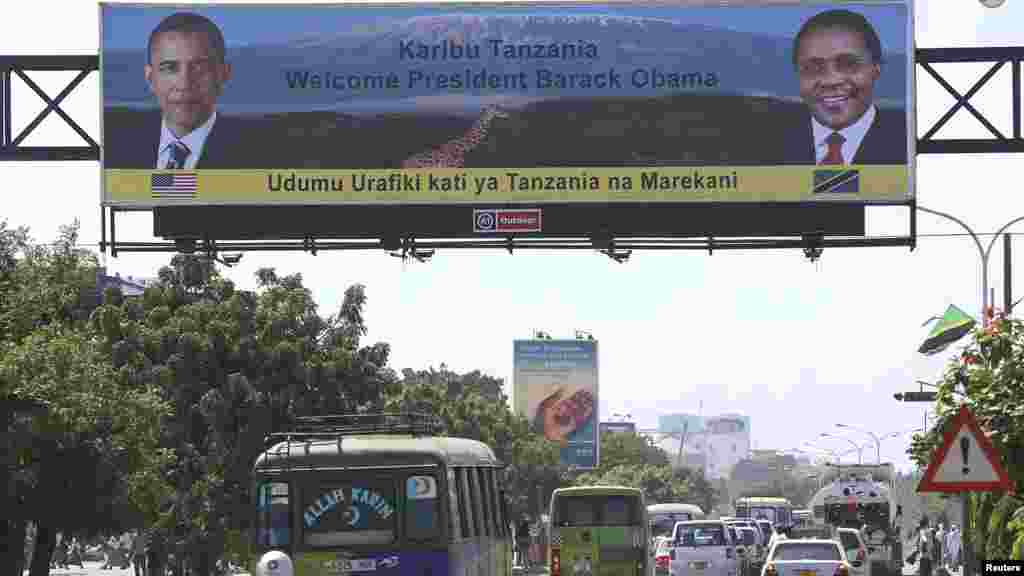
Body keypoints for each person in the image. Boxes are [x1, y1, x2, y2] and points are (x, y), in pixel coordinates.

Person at [104, 12, 255, 169]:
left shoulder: (256, 156)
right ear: (150, 78)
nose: (184, 83)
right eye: (170, 68)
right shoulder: (112, 141)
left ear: (224, 74)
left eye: (200, 68)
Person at [779, 9, 907, 166]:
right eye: (813, 68)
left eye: (848, 64)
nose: (830, 80)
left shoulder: (907, 140)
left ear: (875, 69)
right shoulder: (767, 143)